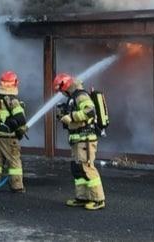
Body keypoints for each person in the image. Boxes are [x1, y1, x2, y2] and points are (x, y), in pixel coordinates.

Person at [53, 72, 105, 210]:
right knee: (77, 169)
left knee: (87, 167)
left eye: (60, 89)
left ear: (65, 85)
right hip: (77, 140)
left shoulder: (81, 95)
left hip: (86, 139)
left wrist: (71, 116)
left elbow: (90, 112)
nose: (60, 92)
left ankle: (98, 199)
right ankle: (82, 197)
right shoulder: (72, 98)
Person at [0, 70, 27, 192]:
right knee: (14, 162)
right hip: (9, 138)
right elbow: (21, 119)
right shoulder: (12, 101)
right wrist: (20, 129)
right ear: (14, 84)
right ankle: (17, 186)